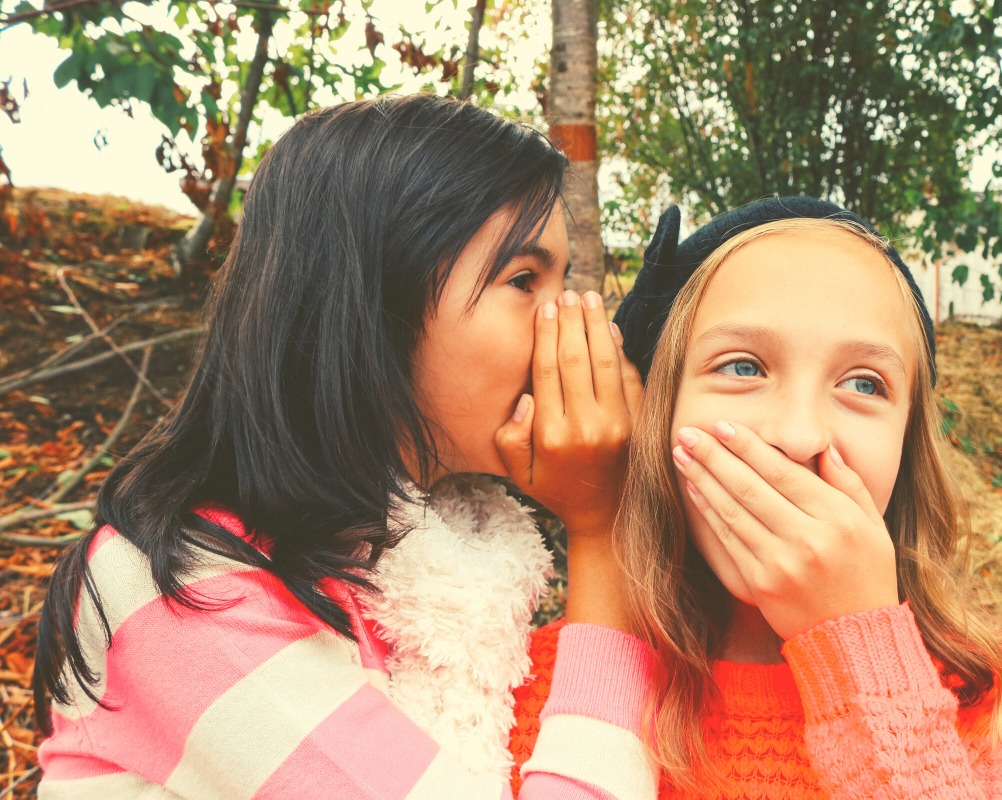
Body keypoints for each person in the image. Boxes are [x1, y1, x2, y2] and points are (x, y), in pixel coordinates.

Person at [33, 94, 657, 799]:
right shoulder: (176, 592)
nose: (567, 327)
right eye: (523, 281)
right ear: (371, 307)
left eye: (566, 282)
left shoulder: (430, 555)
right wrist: (604, 533)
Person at [510, 196, 1002, 799]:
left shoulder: (998, 701)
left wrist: (863, 652)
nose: (797, 437)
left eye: (863, 383)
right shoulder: (536, 691)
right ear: (657, 412)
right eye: (742, 367)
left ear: (908, 443)